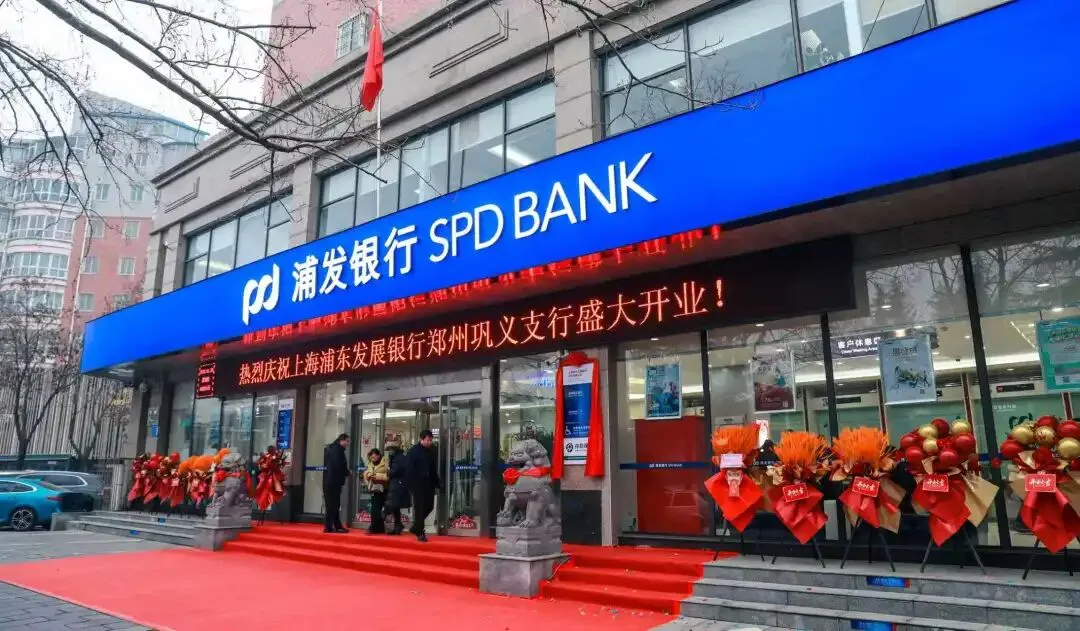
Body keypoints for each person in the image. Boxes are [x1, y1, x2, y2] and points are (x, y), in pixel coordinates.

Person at [405, 429, 440, 542]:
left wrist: (437, 483)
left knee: (429, 506)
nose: (429, 442)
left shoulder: (432, 451)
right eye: (428, 440)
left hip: (429, 484)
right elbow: (409, 469)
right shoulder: (413, 451)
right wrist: (410, 485)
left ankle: (416, 527)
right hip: (417, 484)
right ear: (421, 439)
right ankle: (420, 532)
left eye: (431, 440)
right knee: (419, 508)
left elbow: (433, 469)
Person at [323, 433, 350, 534]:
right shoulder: (337, 450)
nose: (347, 443)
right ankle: (334, 526)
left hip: (330, 481)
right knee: (334, 504)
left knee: (331, 504)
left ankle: (330, 526)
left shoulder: (332, 448)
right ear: (341, 440)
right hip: (334, 481)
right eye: (347, 441)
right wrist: (346, 472)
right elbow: (338, 465)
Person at [383, 441, 408, 535]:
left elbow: (393, 472)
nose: (389, 452)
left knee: (390, 505)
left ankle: (381, 521)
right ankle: (398, 525)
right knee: (396, 506)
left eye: (390, 450)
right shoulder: (400, 457)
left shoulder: (397, 459)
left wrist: (388, 470)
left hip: (396, 485)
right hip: (399, 484)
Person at [362, 448, 389, 534]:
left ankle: (373, 528)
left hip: (385, 489)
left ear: (378, 455)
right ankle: (377, 528)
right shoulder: (370, 464)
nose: (372, 459)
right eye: (371, 457)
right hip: (375, 489)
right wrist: (367, 476)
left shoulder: (385, 462)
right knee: (374, 509)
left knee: (381, 509)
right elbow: (366, 473)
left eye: (373, 457)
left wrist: (376, 476)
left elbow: (388, 475)